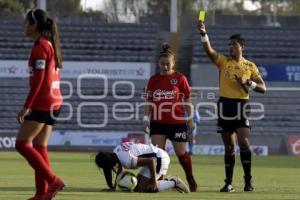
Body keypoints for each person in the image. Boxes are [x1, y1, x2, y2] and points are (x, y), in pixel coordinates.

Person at [197, 21, 266, 192]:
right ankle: (228, 183)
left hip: (242, 105)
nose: (230, 47)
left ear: (241, 46)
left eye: (233, 44)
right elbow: (209, 51)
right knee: (228, 146)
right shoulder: (223, 62)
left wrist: (248, 83)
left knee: (244, 142)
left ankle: (248, 181)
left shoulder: (250, 66)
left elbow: (263, 88)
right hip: (225, 105)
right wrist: (203, 33)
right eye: (229, 45)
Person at [15, 8, 64, 200]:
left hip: (44, 102)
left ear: (34, 25)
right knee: (39, 146)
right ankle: (42, 194)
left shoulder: (40, 47)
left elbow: (40, 80)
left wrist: (27, 105)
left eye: (26, 23)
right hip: (55, 101)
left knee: (21, 144)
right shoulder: (49, 44)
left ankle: (53, 181)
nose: (24, 27)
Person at [143, 43, 198, 192]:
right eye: (162, 64)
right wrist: (145, 119)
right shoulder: (153, 80)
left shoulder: (180, 79)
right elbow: (148, 101)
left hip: (177, 122)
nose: (165, 67)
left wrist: (190, 119)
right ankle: (158, 181)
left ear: (173, 63)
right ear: (158, 64)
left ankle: (190, 178)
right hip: (157, 122)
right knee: (157, 154)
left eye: (168, 64)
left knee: (181, 154)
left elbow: (187, 100)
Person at [95, 142, 190, 193]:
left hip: (158, 159)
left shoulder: (127, 160)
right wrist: (113, 187)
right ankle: (164, 181)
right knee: (136, 187)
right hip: (155, 156)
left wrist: (153, 182)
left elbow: (150, 161)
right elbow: (119, 170)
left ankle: (174, 182)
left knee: (145, 189)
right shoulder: (116, 152)